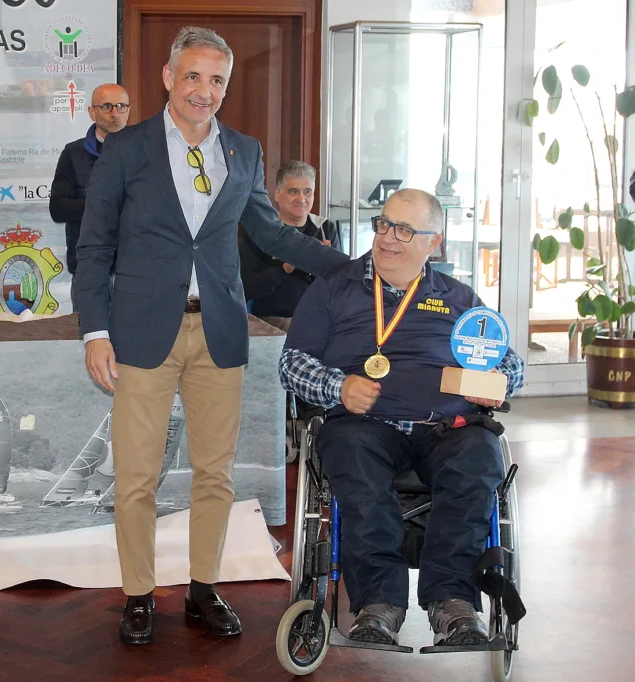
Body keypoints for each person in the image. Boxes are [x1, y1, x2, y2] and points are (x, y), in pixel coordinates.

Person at [74, 26, 349, 646]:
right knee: (138, 475)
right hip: (142, 332)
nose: (204, 91)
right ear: (169, 78)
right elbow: (93, 248)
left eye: (216, 80)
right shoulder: (126, 150)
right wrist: (95, 330)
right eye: (192, 76)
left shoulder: (245, 150)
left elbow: (273, 236)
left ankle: (203, 588)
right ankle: (140, 595)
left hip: (220, 330)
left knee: (214, 475)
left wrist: (354, 266)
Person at [278, 188, 525, 647]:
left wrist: (497, 383)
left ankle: (454, 604)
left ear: (434, 243)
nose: (389, 237)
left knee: (478, 462)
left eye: (406, 230)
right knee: (354, 464)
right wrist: (338, 386)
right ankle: (378, 605)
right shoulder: (335, 285)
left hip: (447, 427)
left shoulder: (457, 296)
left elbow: (510, 361)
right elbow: (291, 363)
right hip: (363, 425)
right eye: (384, 224)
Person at [239, 160, 341, 331]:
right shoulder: (259, 231)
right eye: (293, 191)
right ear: (277, 194)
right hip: (271, 323)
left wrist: (324, 265)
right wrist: (285, 268)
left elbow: (339, 287)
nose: (301, 199)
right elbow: (245, 288)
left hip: (320, 321)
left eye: (307, 192)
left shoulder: (325, 229)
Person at [49, 83, 131, 284]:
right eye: (106, 107)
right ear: (92, 113)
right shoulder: (73, 153)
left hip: (134, 268)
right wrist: (104, 205)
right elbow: (58, 209)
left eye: (121, 106)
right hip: (89, 268)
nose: (115, 113)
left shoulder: (146, 152)